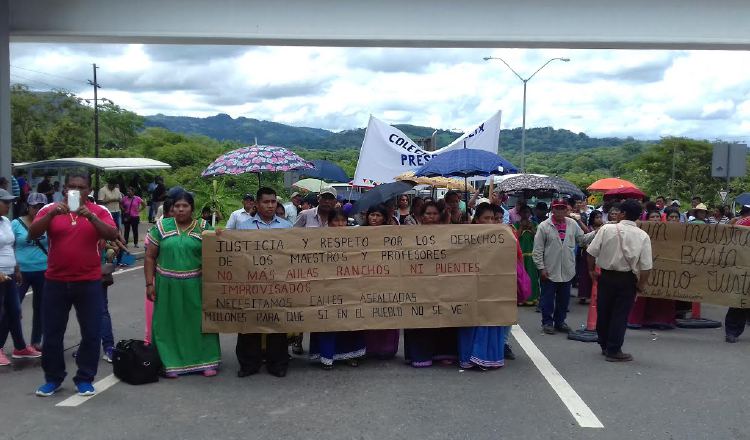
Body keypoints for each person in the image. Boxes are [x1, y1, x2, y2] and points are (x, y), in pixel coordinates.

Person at [29, 174, 117, 396]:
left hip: (88, 282)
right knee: (52, 334)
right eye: (72, 187)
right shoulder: (50, 208)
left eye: (81, 187)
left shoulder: (99, 211)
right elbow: (33, 233)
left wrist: (92, 219)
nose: (76, 190)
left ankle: (85, 378)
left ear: (89, 190)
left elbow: (113, 234)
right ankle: (53, 378)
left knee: (91, 332)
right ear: (64, 188)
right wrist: (51, 214)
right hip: (56, 281)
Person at [144, 190, 220, 378]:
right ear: (171, 208)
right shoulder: (161, 227)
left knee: (199, 323)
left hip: (196, 285)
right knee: (168, 324)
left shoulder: (203, 227)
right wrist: (149, 283)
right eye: (177, 206)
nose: (180, 209)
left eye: (185, 206)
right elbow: (150, 256)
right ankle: (170, 363)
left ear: (192, 208)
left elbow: (216, 255)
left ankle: (206, 361)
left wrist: (219, 236)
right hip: (167, 285)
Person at [234, 187, 293, 378]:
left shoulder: (286, 227)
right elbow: (237, 255)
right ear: (257, 204)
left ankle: (278, 364)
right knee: (249, 322)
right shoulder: (244, 227)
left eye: (273, 202)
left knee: (277, 323)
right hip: (252, 283)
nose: (270, 205)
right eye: (266, 202)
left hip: (278, 283)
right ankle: (249, 364)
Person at [587, 199, 652, 362]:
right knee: (620, 315)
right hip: (627, 279)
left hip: (606, 276)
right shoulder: (643, 236)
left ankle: (604, 344)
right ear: (639, 216)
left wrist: (591, 270)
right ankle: (614, 349)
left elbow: (591, 252)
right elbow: (646, 266)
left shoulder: (606, 229)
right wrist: (641, 284)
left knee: (604, 311)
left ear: (623, 213)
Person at [309, 208, 367, 370]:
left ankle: (352, 354)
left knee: (350, 321)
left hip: (350, 287)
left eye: (343, 220)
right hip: (326, 288)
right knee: (328, 321)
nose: (340, 224)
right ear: (329, 222)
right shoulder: (319, 239)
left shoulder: (355, 238)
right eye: (336, 221)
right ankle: (327, 356)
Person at [403, 202, 458, 367]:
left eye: (434, 213)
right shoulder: (411, 234)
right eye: (428, 213)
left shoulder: (448, 233)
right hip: (418, 283)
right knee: (420, 318)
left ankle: (444, 353)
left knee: (444, 315)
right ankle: (420, 354)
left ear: (439, 215)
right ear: (421, 216)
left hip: (443, 283)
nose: (431, 217)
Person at [532, 199, 594, 335]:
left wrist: (597, 232)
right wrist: (541, 268)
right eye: (557, 208)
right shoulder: (544, 226)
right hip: (549, 268)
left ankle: (560, 322)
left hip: (567, 268)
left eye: (562, 208)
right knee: (547, 298)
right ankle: (547, 323)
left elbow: (582, 240)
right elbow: (537, 250)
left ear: (567, 210)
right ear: (552, 210)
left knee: (564, 299)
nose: (560, 211)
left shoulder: (572, 224)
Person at [458, 203, 508, 370]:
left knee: (491, 319)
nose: (490, 221)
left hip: (493, 285)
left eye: (493, 218)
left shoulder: (502, 236)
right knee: (471, 320)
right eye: (486, 218)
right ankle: (469, 356)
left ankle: (486, 357)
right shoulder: (465, 236)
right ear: (477, 219)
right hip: (470, 285)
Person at [291, 188, 338, 354]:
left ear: (334, 201)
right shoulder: (305, 215)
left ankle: (322, 345)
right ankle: (297, 339)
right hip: (306, 268)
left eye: (330, 198)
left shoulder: (338, 217)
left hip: (331, 270)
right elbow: (291, 237)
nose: (326, 201)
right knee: (304, 304)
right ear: (318, 198)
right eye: (324, 197)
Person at [0, 189, 41, 367]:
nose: (9, 205)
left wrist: (16, 268)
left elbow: (11, 246)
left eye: (10, 202)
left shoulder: (6, 221)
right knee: (1, 314)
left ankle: (20, 347)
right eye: (5, 202)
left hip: (10, 273)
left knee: (15, 311)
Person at [11, 192, 49, 352]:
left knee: (40, 307)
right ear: (28, 206)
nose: (37, 209)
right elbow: (8, 246)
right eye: (35, 206)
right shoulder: (16, 224)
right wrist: (13, 266)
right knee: (13, 308)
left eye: (41, 207)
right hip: (21, 272)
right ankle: (15, 344)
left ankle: (36, 341)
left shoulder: (49, 223)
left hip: (43, 270)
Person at [627, 209, 675, 330]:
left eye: (657, 217)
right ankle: (638, 320)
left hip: (664, 269)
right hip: (645, 267)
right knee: (644, 294)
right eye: (653, 217)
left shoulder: (673, 231)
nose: (655, 219)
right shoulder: (641, 231)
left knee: (661, 297)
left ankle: (661, 320)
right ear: (648, 219)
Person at [362, 205, 400, 359]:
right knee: (368, 314)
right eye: (372, 215)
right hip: (365, 280)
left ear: (384, 218)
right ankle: (368, 347)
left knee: (386, 313)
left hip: (386, 280)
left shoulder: (392, 234)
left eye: (378, 215)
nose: (374, 218)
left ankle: (386, 348)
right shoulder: (357, 232)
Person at [513, 204, 539, 306]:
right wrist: (522, 228)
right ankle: (521, 298)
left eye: (527, 212)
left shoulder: (535, 224)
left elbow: (537, 238)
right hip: (520, 255)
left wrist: (531, 228)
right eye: (523, 212)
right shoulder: (516, 225)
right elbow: (515, 238)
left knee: (532, 277)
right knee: (521, 277)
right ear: (520, 214)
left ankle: (532, 298)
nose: (525, 214)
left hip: (532, 254)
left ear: (530, 214)